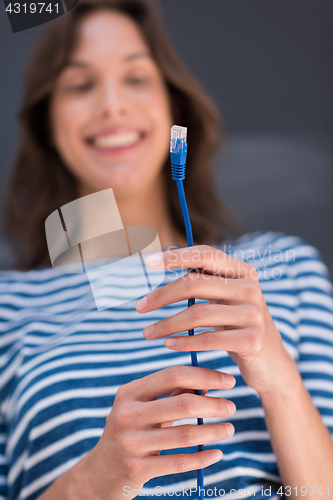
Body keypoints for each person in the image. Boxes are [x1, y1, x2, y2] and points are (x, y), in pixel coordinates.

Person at [1, 0, 333, 499]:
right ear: (48, 122)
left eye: (136, 78)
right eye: (80, 84)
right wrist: (97, 476)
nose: (111, 104)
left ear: (173, 107)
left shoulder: (282, 266)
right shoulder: (7, 305)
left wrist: (279, 381)